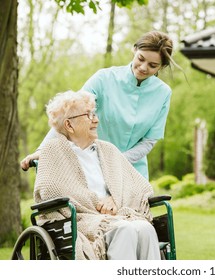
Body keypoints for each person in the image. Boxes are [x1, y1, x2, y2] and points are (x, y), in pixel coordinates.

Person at [21, 30, 180, 179]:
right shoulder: (104, 78)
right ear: (134, 50)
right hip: (93, 166)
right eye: (141, 58)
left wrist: (117, 162)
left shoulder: (163, 93)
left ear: (162, 66)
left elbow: (149, 141)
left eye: (153, 65)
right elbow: (69, 114)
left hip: (133, 171)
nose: (144, 67)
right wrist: (42, 150)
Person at [34, 90, 161, 260]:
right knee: (124, 229)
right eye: (88, 115)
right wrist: (96, 204)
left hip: (117, 214)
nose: (96, 119)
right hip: (82, 220)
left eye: (94, 114)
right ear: (69, 125)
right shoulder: (53, 150)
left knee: (145, 229)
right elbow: (50, 190)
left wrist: (115, 198)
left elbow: (138, 186)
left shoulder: (108, 149)